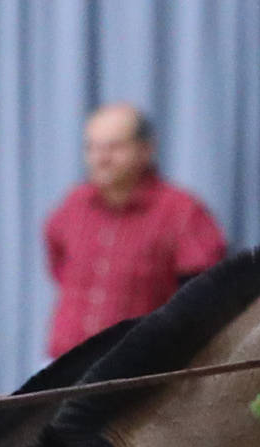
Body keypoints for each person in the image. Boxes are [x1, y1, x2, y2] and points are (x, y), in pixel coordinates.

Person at [43, 102, 226, 357]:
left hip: (136, 373)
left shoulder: (181, 210)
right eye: (92, 147)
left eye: (114, 147)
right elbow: (58, 263)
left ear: (145, 150)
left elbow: (205, 289)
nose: (101, 158)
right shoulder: (74, 204)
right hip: (62, 365)